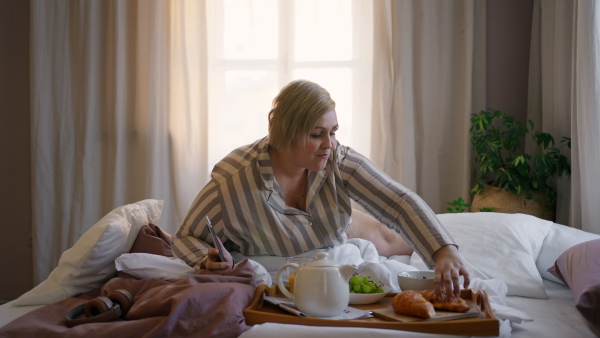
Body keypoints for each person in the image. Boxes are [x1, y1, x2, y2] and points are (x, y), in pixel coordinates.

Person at [172, 79, 470, 299]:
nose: (329, 144)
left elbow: (399, 202)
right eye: (317, 135)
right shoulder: (234, 181)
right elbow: (186, 237)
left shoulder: (338, 159)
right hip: (276, 272)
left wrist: (444, 250)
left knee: (391, 237)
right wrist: (206, 258)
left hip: (333, 247)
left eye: (333, 132)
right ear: (285, 133)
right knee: (386, 237)